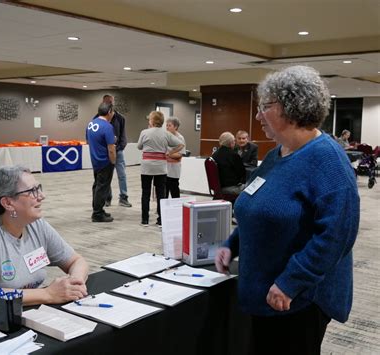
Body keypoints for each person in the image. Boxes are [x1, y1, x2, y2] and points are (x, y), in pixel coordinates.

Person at [215, 66, 360, 355]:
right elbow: (256, 208)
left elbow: (337, 235)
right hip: (264, 292)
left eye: (265, 107)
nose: (258, 116)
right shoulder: (276, 155)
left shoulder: (328, 160)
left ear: (293, 109)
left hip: (297, 298)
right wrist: (233, 244)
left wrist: (292, 281)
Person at [0, 166, 89, 312]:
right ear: (7, 203)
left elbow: (76, 261)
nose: (41, 196)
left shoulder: (36, 225)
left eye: (38, 188)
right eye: (32, 191)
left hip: (24, 309)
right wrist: (47, 294)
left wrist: (74, 283)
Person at [137, 111, 184, 226]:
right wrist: (169, 153)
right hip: (161, 167)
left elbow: (139, 146)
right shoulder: (166, 134)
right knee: (161, 194)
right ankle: (161, 220)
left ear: (152, 121)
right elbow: (180, 144)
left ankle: (145, 220)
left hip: (146, 167)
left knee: (146, 192)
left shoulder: (144, 132)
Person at [99, 95, 132, 208]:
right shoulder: (98, 118)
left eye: (111, 102)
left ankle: (123, 197)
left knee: (122, 175)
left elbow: (123, 134)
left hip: (117, 151)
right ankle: (107, 198)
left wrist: (121, 147)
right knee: (107, 176)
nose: (109, 104)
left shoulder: (120, 118)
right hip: (105, 152)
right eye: (107, 102)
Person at [86, 101, 116, 222]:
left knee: (97, 185)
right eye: (112, 112)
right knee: (103, 187)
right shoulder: (107, 126)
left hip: (95, 160)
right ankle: (97, 213)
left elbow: (88, 141)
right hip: (105, 161)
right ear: (109, 112)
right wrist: (113, 161)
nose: (113, 114)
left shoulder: (91, 124)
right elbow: (111, 148)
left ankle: (98, 209)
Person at [165, 117, 186, 198]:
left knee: (174, 189)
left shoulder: (180, 138)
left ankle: (176, 208)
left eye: (169, 125)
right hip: (164, 168)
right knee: (164, 191)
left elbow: (179, 155)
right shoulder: (165, 136)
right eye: (166, 125)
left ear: (176, 127)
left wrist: (168, 154)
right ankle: (162, 209)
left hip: (174, 169)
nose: (167, 127)